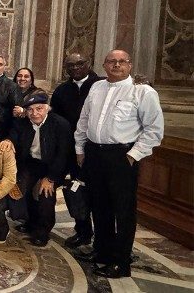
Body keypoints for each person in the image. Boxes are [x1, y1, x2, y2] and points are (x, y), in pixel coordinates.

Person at [74, 50, 164, 278]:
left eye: (121, 62)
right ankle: (102, 251)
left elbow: (154, 129)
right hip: (94, 153)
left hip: (121, 156)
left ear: (130, 65)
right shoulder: (96, 87)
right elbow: (84, 119)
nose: (116, 65)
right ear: (104, 65)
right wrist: (80, 147)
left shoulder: (142, 91)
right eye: (111, 61)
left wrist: (134, 155)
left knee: (123, 211)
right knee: (99, 206)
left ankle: (121, 262)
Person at [50, 52, 104, 247]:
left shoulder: (101, 86)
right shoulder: (62, 91)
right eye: (70, 66)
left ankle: (104, 239)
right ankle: (82, 230)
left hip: (97, 149)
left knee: (99, 195)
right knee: (76, 191)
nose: (75, 68)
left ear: (88, 64)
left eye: (79, 64)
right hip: (71, 149)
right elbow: (55, 120)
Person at [9, 94, 71, 246]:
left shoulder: (60, 124)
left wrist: (50, 178)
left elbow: (63, 154)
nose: (34, 113)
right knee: (25, 190)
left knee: (45, 195)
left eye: (39, 109)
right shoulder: (23, 123)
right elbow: (13, 136)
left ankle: (42, 232)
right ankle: (30, 222)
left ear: (47, 108)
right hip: (31, 163)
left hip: (53, 166)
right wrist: (8, 141)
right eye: (30, 110)